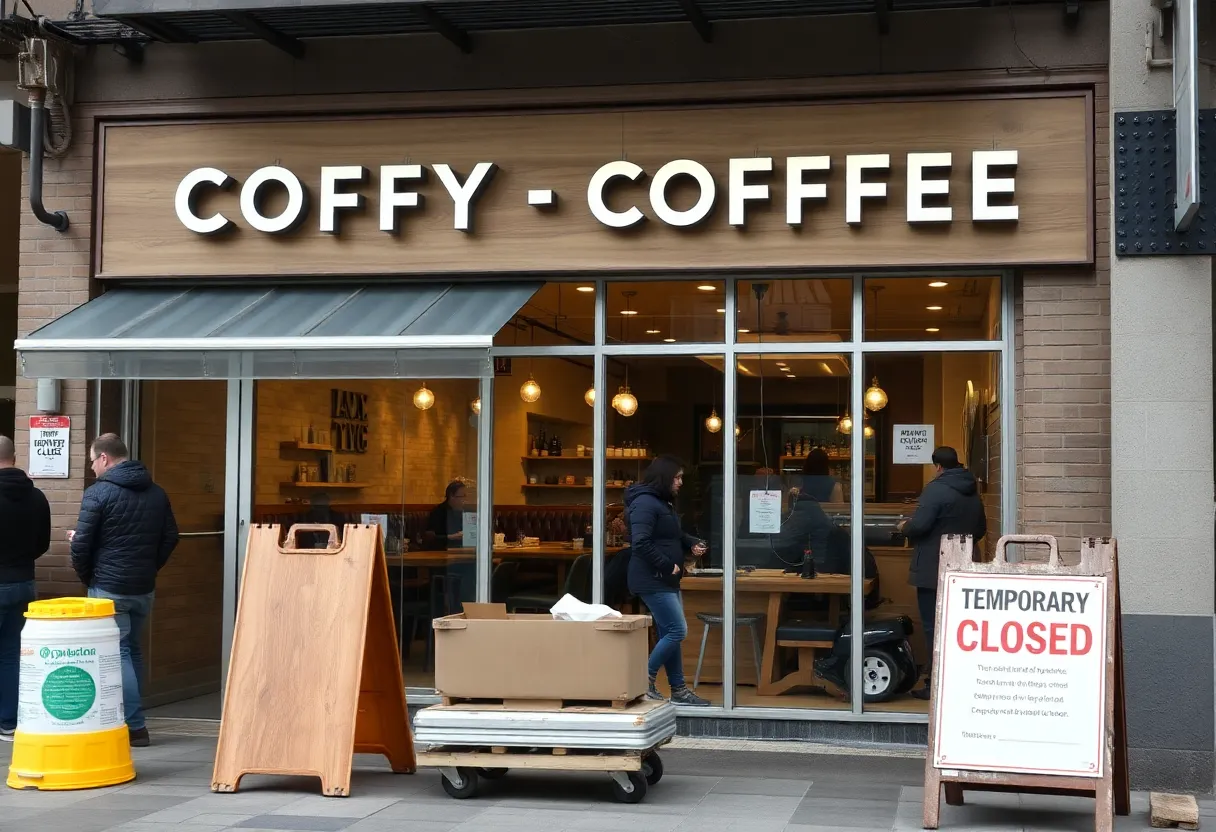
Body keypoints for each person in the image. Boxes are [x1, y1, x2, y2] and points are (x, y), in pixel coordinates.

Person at [69, 434, 179, 747]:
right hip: (142, 588)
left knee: (119, 653)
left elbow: (82, 545)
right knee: (131, 650)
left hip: (109, 587)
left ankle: (135, 726)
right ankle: (133, 716)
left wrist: (91, 578)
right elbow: (171, 537)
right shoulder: (156, 493)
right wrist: (149, 567)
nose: (91, 468)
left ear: (104, 458)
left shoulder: (98, 493)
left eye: (92, 460)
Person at [899, 446, 986, 700]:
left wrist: (905, 527)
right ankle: (963, 681)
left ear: (937, 466)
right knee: (961, 626)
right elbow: (980, 528)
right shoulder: (972, 490)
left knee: (933, 626)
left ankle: (936, 684)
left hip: (933, 568)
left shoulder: (936, 489)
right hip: (965, 567)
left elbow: (920, 525)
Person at [624, 455, 710, 706]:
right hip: (653, 578)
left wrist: (690, 542)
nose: (681, 482)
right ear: (664, 478)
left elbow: (672, 534)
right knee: (677, 630)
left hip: (665, 578)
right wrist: (667, 565)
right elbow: (640, 542)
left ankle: (679, 690)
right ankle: (644, 680)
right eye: (677, 477)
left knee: (668, 633)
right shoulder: (646, 504)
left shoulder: (662, 503)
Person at [0, 436, 50, 741]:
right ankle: (9, 722)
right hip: (23, 583)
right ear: (15, 457)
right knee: (11, 654)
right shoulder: (37, 497)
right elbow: (42, 543)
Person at [423, 481, 468, 551]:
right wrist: (452, 537)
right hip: (442, 552)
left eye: (465, 496)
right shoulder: (438, 512)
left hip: (463, 550)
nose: (464, 500)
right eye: (462, 496)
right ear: (452, 496)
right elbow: (431, 538)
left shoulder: (464, 511)